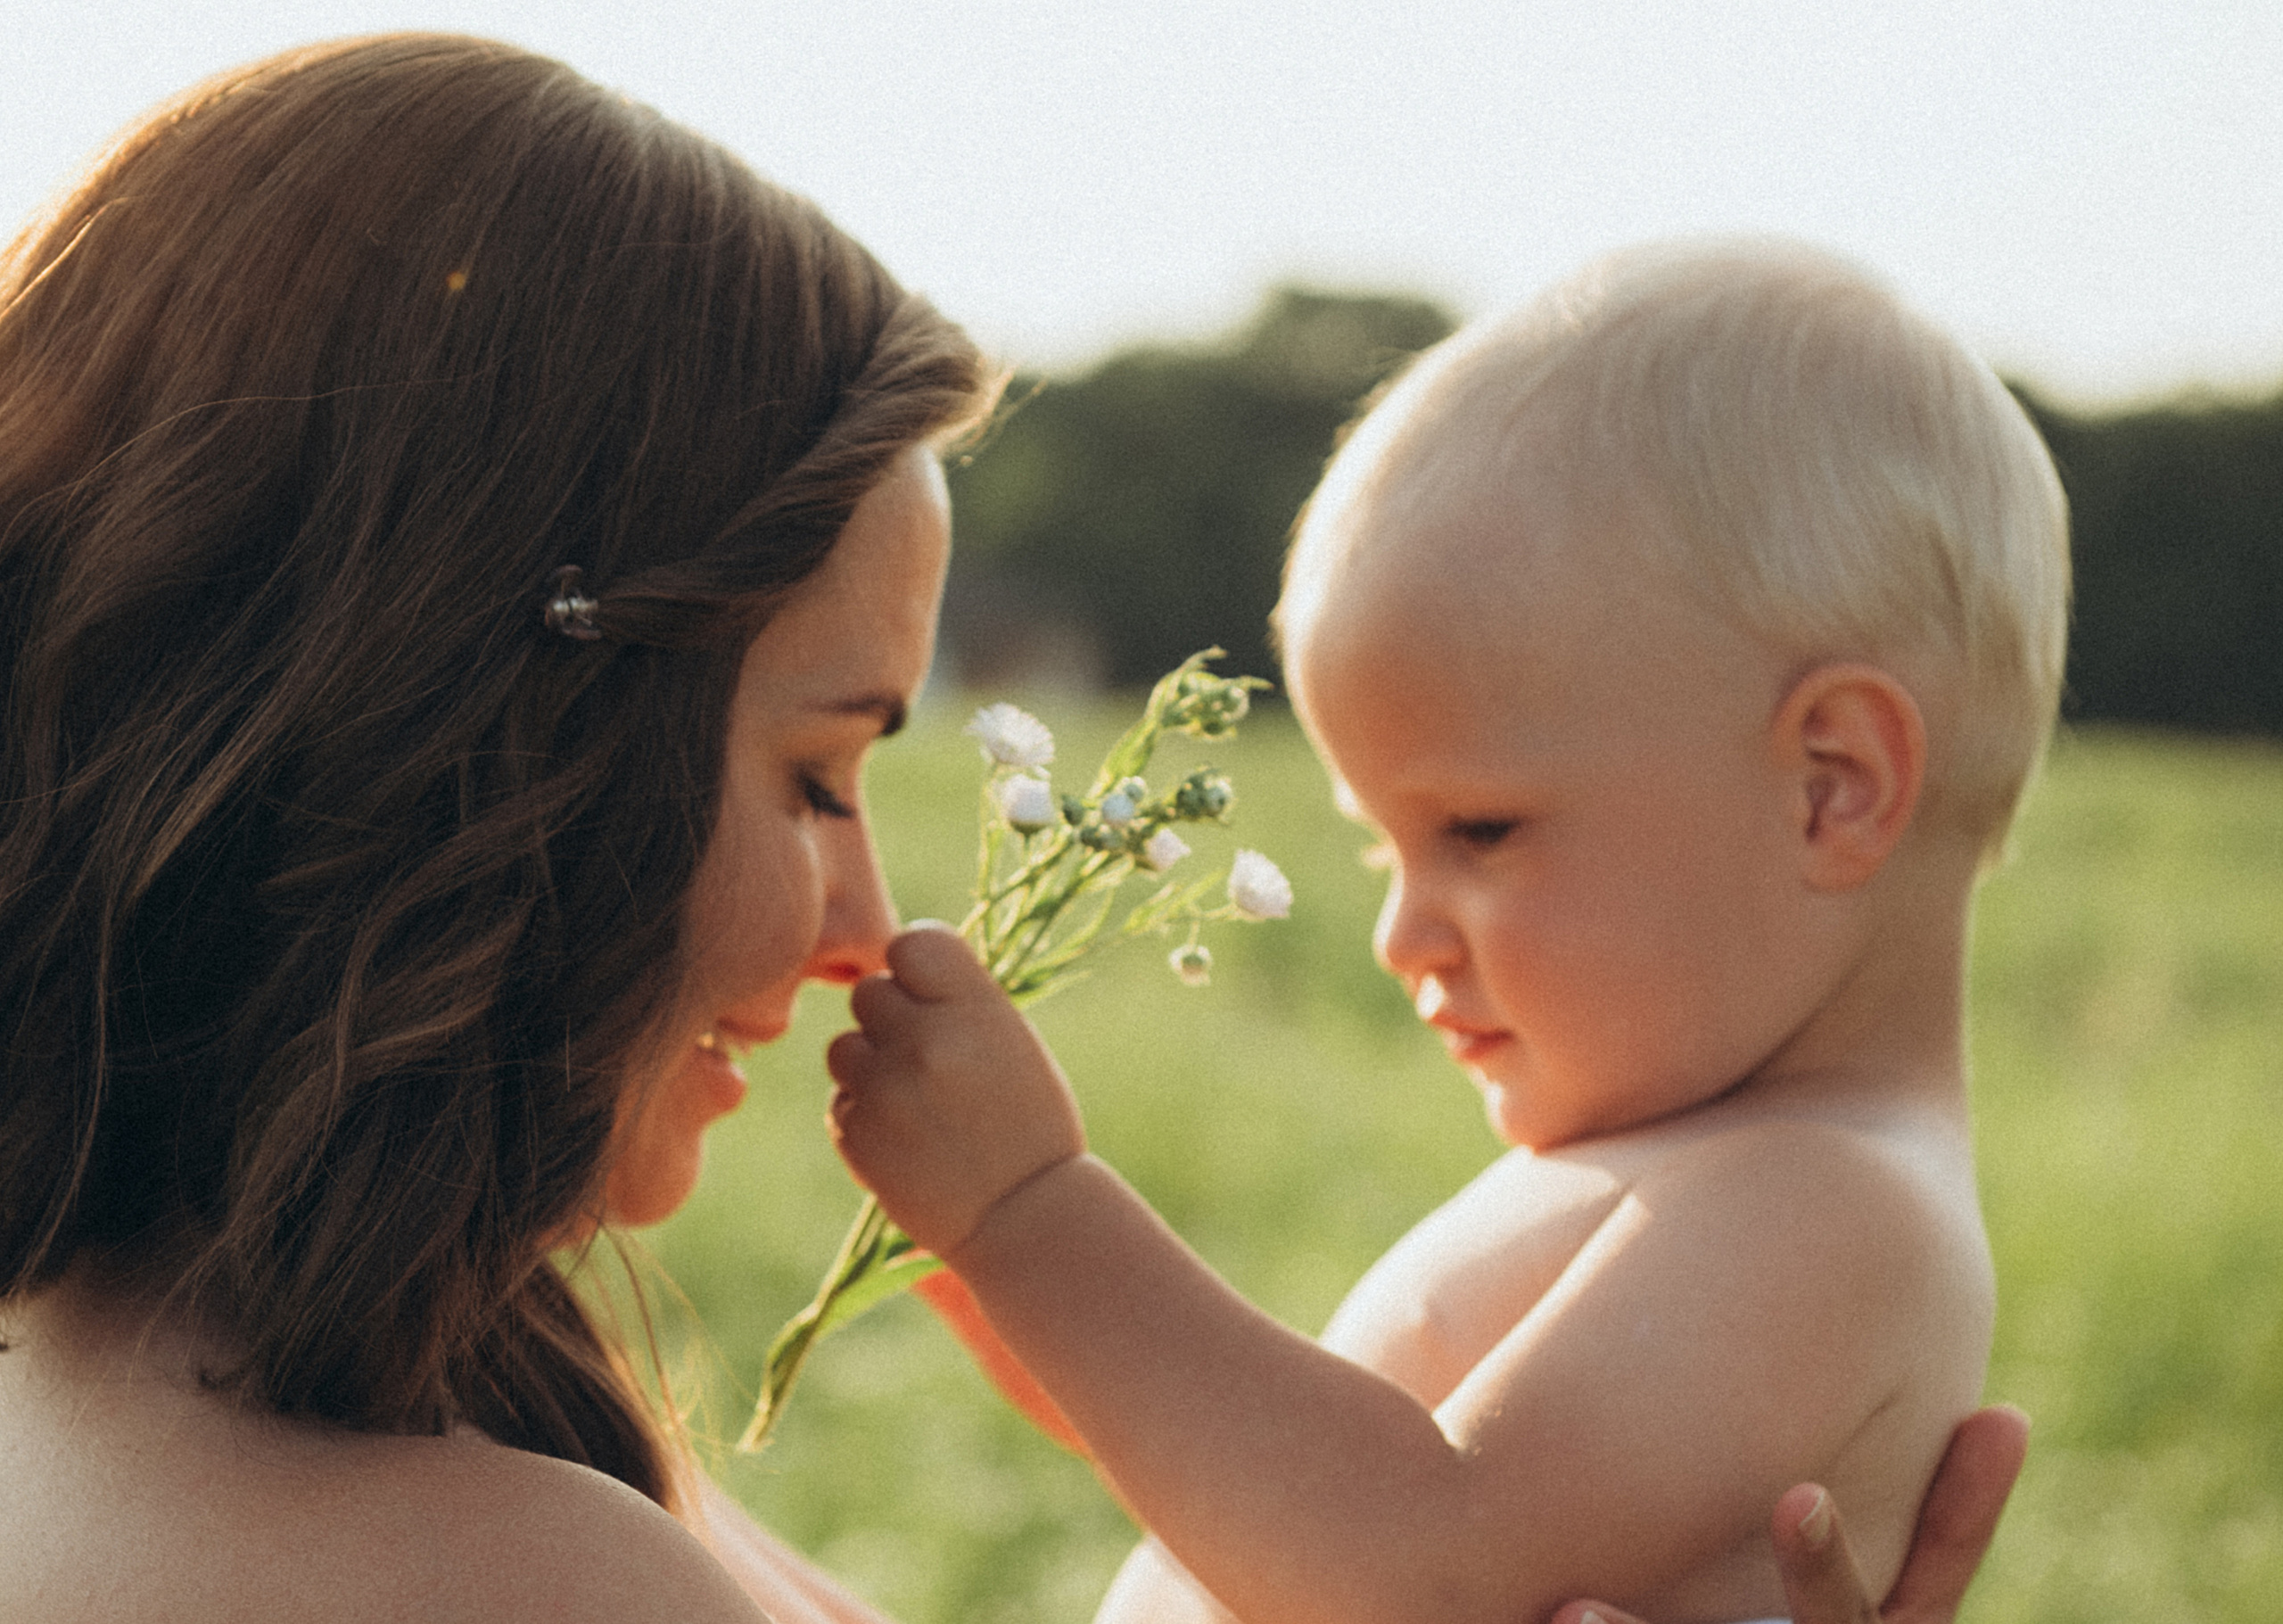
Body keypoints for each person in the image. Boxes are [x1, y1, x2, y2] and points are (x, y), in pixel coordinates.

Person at [827, 240, 2068, 1623]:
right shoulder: (1713, 1164)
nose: (1401, 933)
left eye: (1478, 832)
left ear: (1831, 784)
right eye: (1381, 845)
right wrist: (1070, 1340)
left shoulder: (1833, 1210)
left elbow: (1413, 1562)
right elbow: (1311, 1505)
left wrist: (1031, 1213)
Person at [0, 35, 990, 1623]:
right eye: (814, 776)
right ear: (507, 749)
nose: (867, 921)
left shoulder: (458, 1413)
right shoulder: (521, 1575)